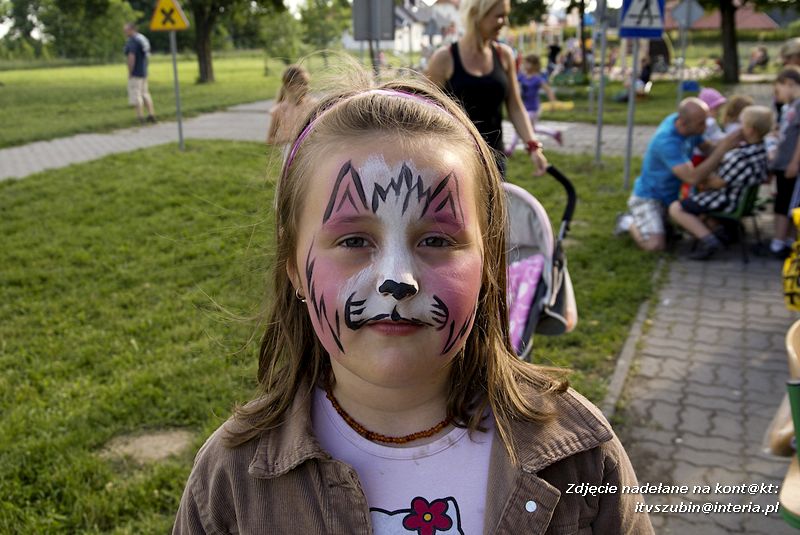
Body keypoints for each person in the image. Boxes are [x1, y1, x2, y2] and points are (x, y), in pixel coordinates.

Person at [172, 74, 654, 534]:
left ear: (488, 263)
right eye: (355, 239)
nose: (397, 281)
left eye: (439, 240)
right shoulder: (232, 481)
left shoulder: (581, 456)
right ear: (294, 268)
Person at [426, 0, 548, 178]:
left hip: (494, 160)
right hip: (454, 162)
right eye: (499, 16)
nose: (504, 22)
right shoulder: (444, 58)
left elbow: (514, 105)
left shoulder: (504, 55)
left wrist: (533, 146)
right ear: (477, 14)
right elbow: (426, 111)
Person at [615, 98, 743, 252]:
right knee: (655, 245)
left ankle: (662, 223)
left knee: (703, 225)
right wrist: (722, 149)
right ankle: (627, 221)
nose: (705, 127)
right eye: (701, 123)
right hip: (649, 196)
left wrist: (730, 145)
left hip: (671, 197)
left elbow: (708, 149)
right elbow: (692, 177)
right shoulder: (667, 141)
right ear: (683, 123)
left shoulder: (689, 127)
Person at [669, 105, 772, 260]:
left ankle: (709, 240)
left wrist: (701, 181)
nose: (738, 128)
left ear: (750, 130)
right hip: (743, 201)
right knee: (698, 208)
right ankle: (722, 231)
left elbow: (717, 183)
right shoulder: (761, 150)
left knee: (676, 208)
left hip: (727, 200)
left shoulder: (740, 157)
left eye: (741, 124)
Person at [770, 66, 800, 258]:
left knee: (787, 204)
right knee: (783, 201)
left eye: (778, 90)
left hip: (790, 165)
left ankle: (780, 243)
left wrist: (795, 163)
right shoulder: (791, 106)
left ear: (789, 84)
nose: (777, 95)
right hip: (783, 163)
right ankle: (785, 240)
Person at [505, 53, 562, 155]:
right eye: (525, 63)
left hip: (533, 108)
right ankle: (554, 133)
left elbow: (548, 90)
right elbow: (512, 84)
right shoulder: (522, 76)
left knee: (521, 128)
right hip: (523, 107)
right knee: (531, 129)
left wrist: (553, 103)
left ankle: (510, 149)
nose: (525, 65)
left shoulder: (537, 79)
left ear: (535, 65)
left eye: (528, 63)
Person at [266, 65, 316, 157]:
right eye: (302, 83)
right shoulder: (279, 110)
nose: (306, 87)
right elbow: (270, 139)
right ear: (290, 86)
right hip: (290, 154)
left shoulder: (312, 105)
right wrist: (290, 139)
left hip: (311, 151)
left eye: (307, 83)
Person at [123, 22, 156, 124]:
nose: (124, 32)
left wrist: (130, 71)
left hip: (136, 72)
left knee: (137, 94)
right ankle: (151, 114)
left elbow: (131, 57)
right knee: (145, 93)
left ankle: (140, 117)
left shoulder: (132, 41)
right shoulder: (142, 39)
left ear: (132, 29)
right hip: (144, 70)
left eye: (126, 29)